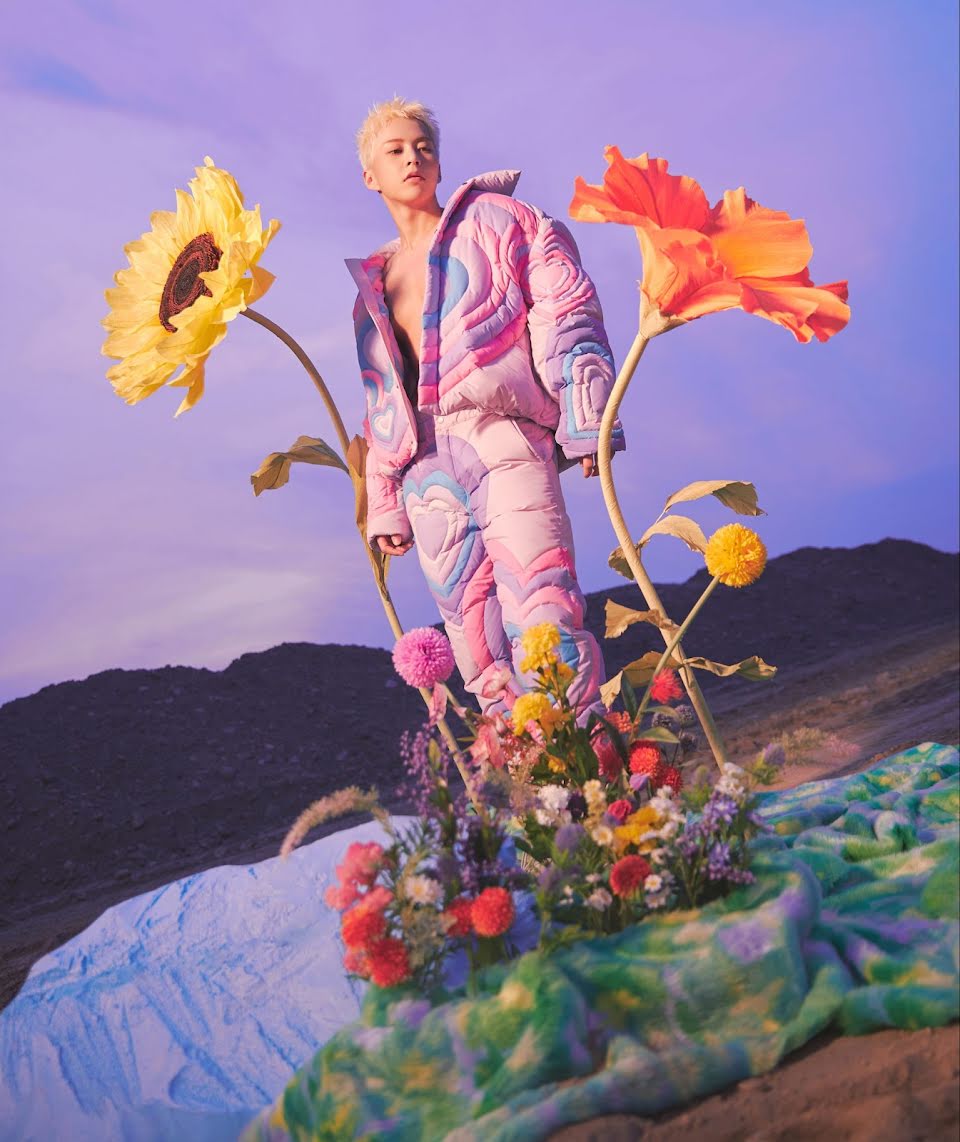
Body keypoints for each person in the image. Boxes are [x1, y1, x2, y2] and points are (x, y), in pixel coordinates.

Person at [346, 97, 625, 723]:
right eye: (395, 150)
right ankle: (530, 778)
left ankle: (591, 766)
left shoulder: (500, 221)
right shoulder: (372, 288)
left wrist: (587, 420)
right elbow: (380, 399)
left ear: (440, 163)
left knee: (543, 609)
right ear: (370, 176)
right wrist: (385, 499)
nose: (412, 158)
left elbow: (565, 306)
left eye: (423, 147)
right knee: (477, 645)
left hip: (505, 437)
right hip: (427, 478)